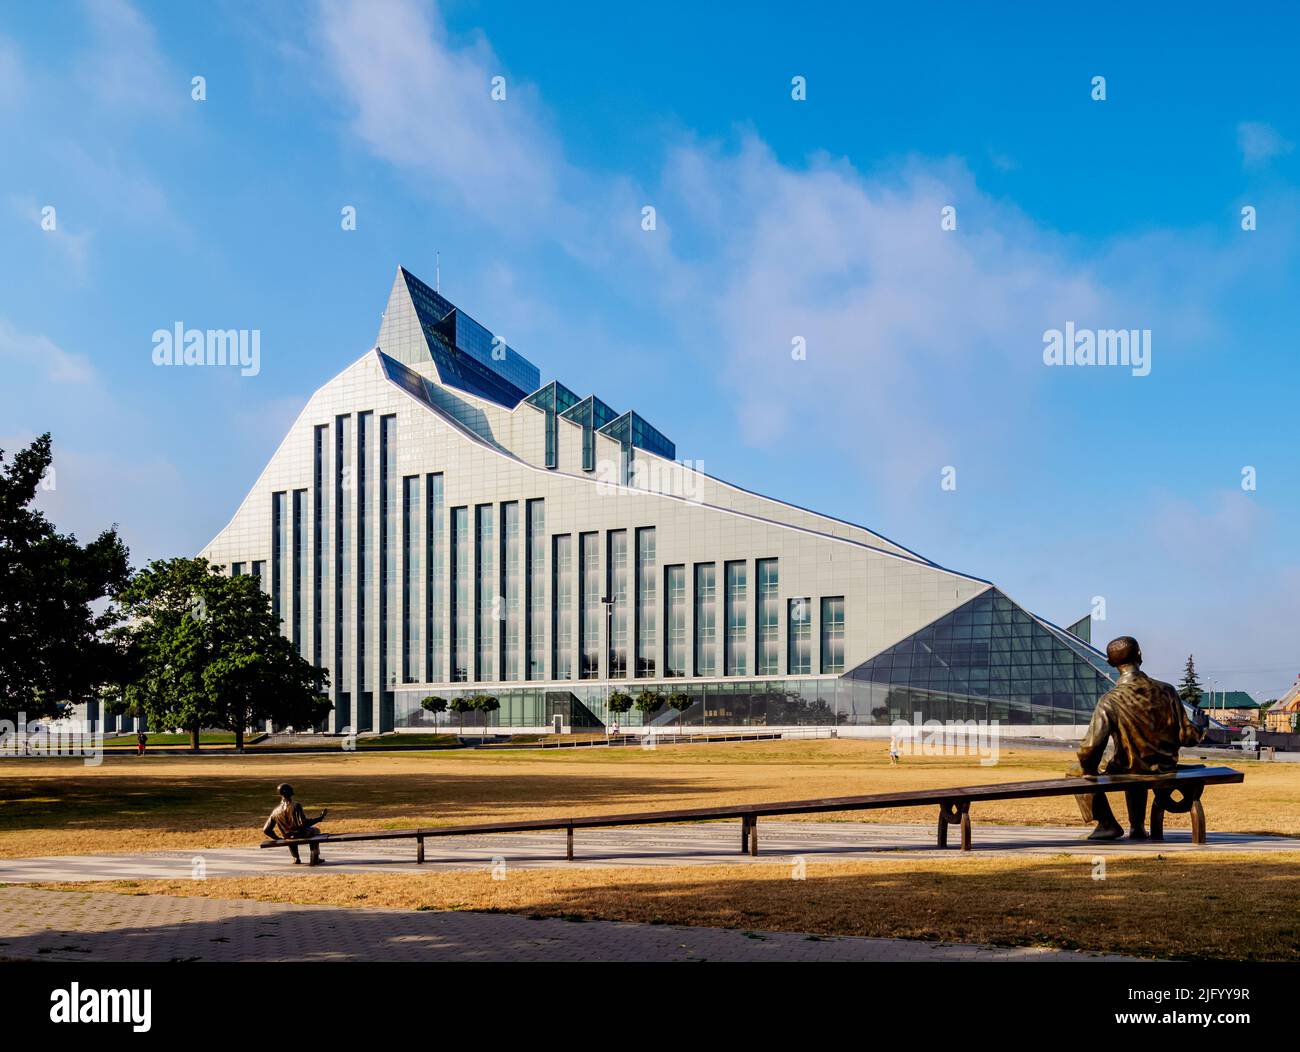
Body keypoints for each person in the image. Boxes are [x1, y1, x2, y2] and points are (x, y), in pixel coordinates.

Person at [1071, 636, 1207, 840]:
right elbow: (1188, 737)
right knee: (1133, 765)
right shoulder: (1167, 691)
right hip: (1166, 768)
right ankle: (1136, 827)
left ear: (1110, 663)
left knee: (1079, 770)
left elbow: (1089, 749)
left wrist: (1087, 767)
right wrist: (1201, 726)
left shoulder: (1110, 700)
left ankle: (1106, 824)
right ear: (1140, 656)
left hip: (1130, 769)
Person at [262, 783, 329, 864]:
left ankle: (296, 858)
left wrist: (278, 838)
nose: (292, 789)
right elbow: (303, 823)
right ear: (286, 791)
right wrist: (319, 818)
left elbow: (266, 830)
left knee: (288, 835)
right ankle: (315, 857)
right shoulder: (296, 805)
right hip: (301, 834)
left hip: (287, 836)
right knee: (316, 830)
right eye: (290, 788)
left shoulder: (275, 811)